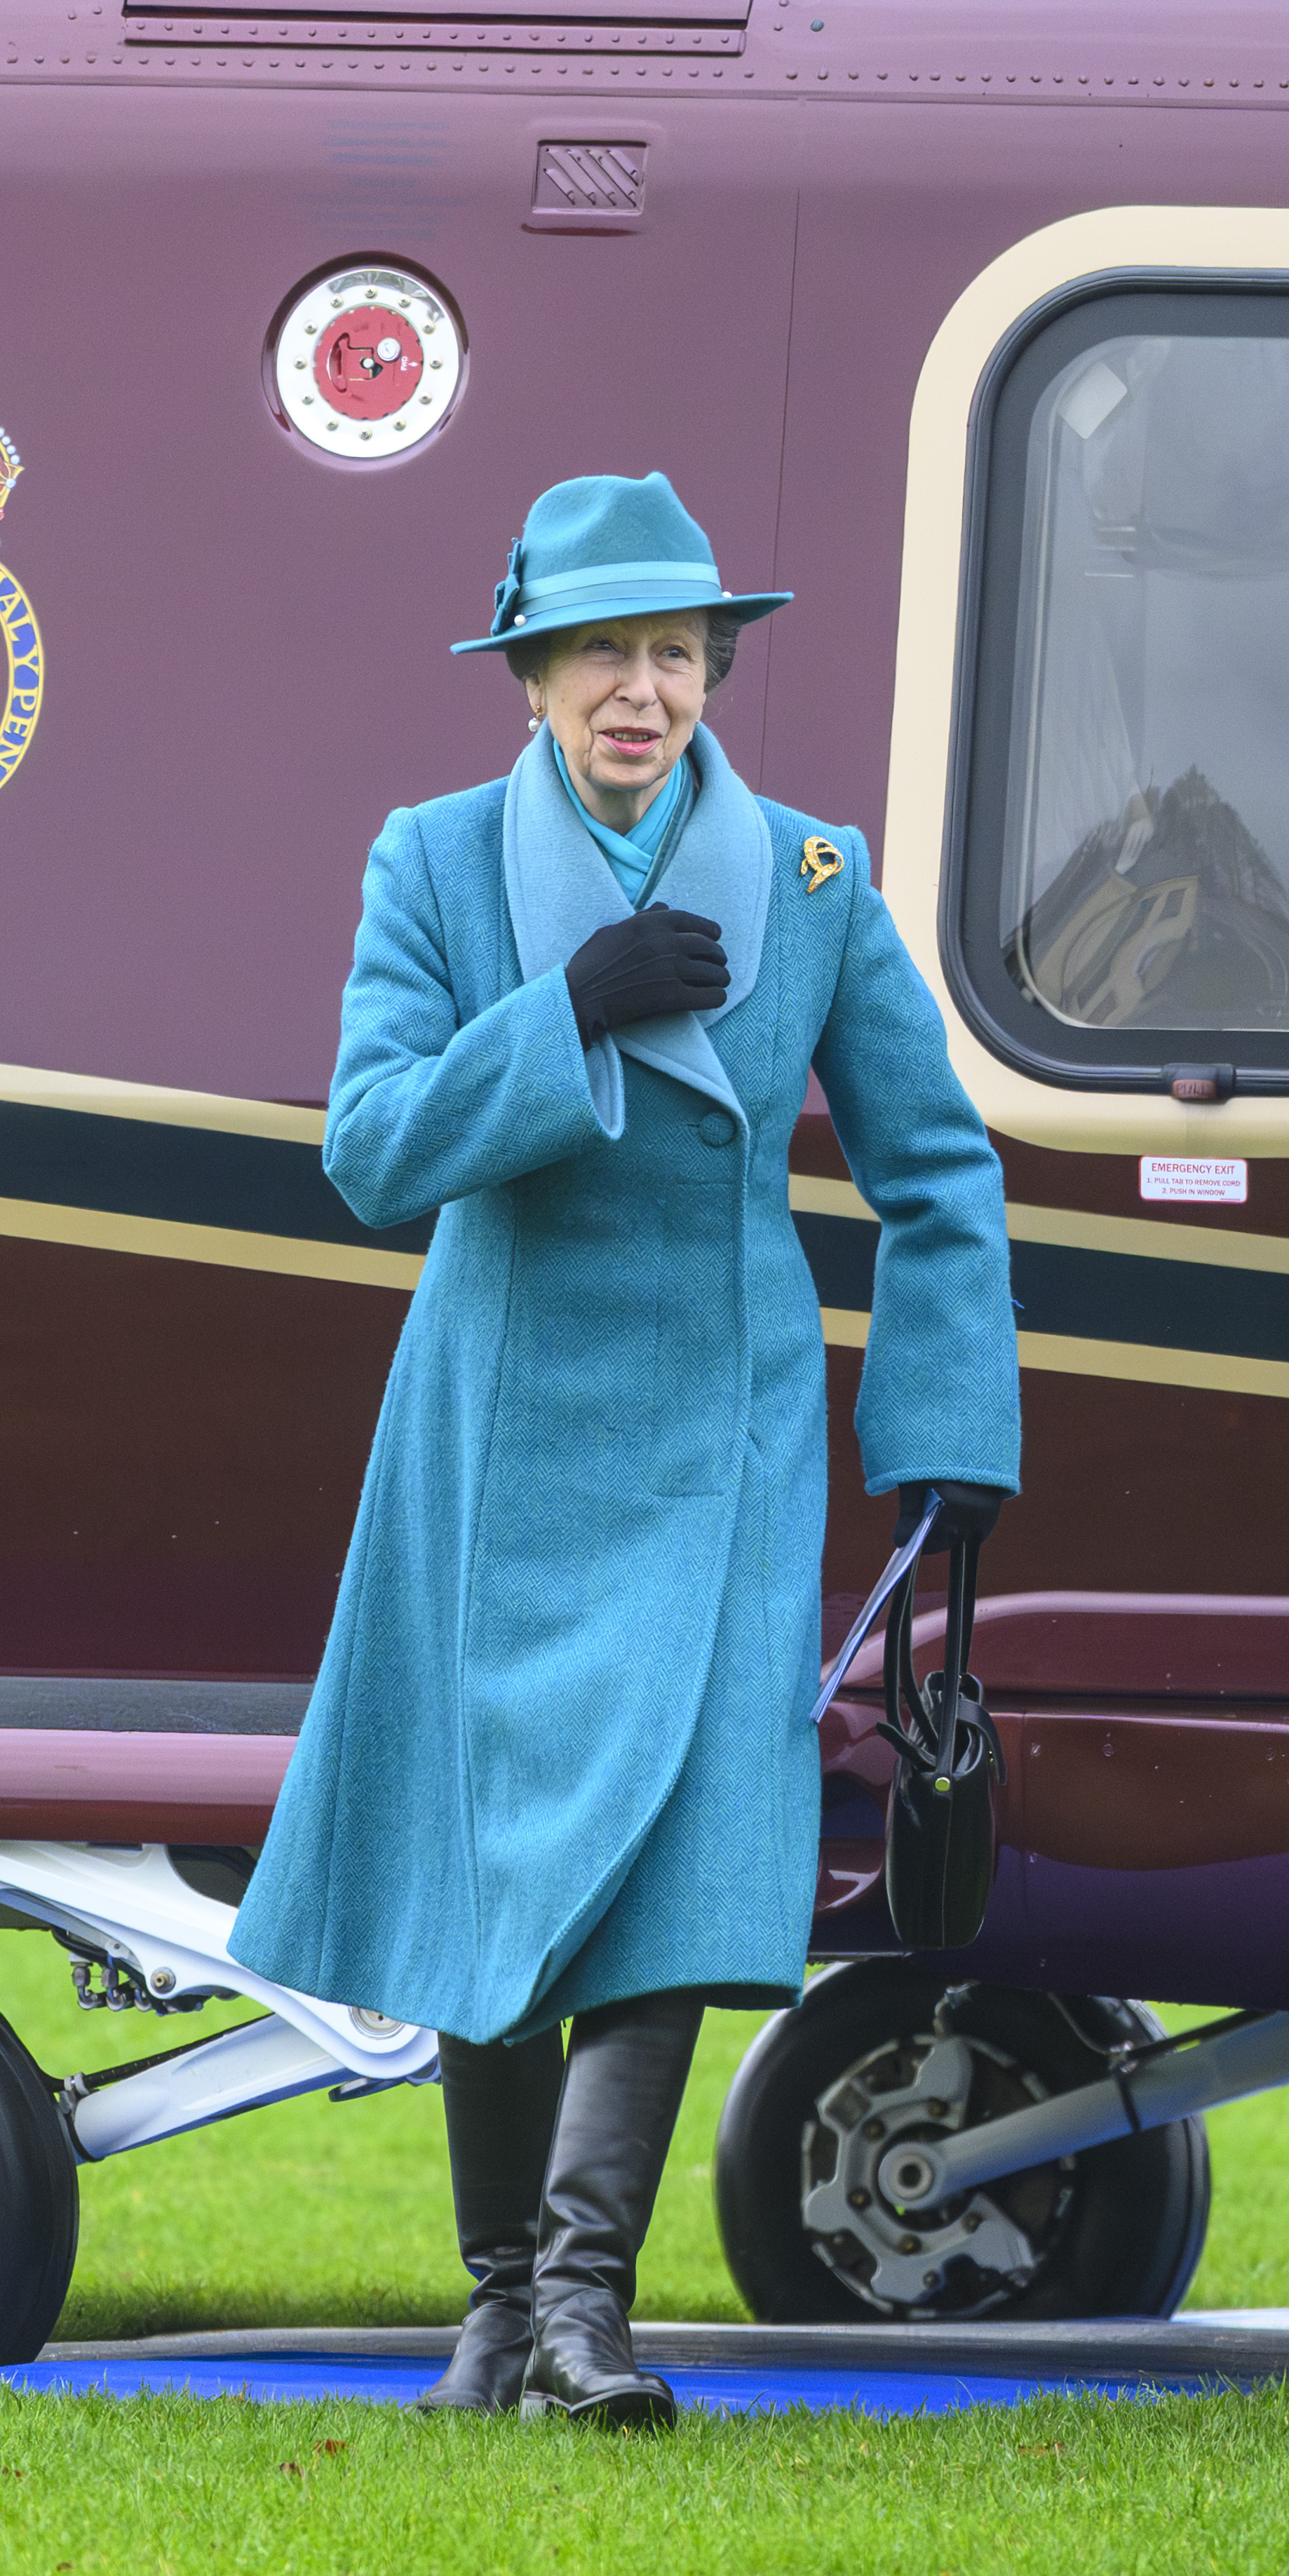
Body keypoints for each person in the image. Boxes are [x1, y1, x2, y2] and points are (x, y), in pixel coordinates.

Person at [234, 470, 1020, 2426]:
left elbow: (939, 1178)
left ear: (715, 672)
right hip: (499, 1429)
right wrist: (568, 1014)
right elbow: (371, 1155)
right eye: (600, 653)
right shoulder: (430, 866)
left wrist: (945, 1443)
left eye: (674, 654)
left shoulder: (818, 884)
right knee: (508, 1864)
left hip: (723, 1435)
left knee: (669, 1854)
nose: (640, 691)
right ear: (528, 677)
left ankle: (582, 2309)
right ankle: (504, 2311)